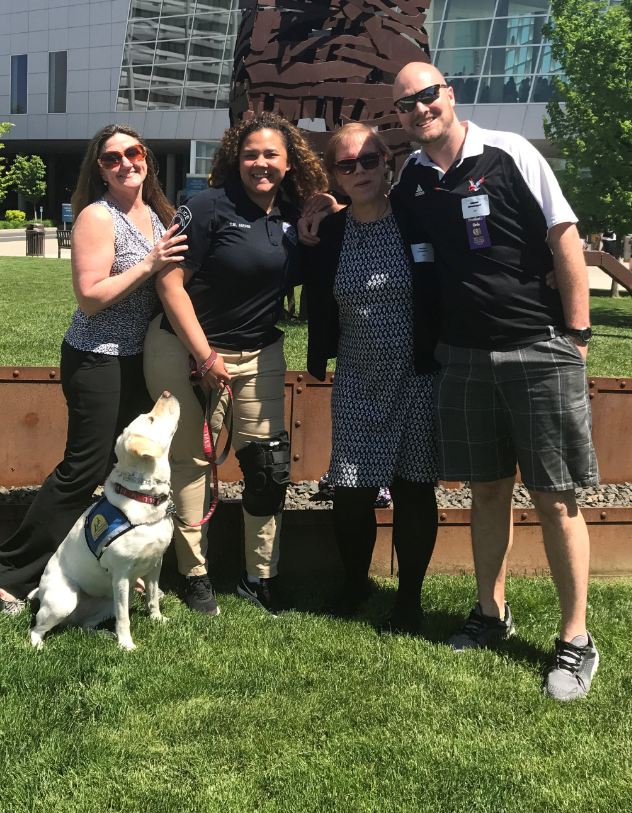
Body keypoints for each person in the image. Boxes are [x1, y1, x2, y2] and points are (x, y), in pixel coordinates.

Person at [389, 62, 599, 700]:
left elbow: (565, 236)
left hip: (539, 347)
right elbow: (379, 217)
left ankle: (575, 640)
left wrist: (579, 333)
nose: (420, 108)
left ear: (449, 96)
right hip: (465, 356)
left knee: (556, 497)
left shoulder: (511, 153)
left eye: (428, 95)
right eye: (407, 105)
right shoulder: (414, 179)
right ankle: (491, 613)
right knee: (485, 492)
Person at [144, 112, 328, 616]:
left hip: (259, 353)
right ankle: (195, 573)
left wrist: (320, 217)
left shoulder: (293, 215)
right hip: (184, 350)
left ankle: (258, 576)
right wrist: (204, 355)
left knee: (267, 466)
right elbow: (168, 284)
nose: (261, 164)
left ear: (290, 162)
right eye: (251, 155)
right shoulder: (206, 209)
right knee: (192, 462)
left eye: (272, 154)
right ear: (235, 159)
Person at [0, 124, 186, 615]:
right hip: (96, 355)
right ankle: (10, 574)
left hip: (136, 359)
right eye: (112, 158)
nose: (127, 162)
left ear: (147, 156)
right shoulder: (96, 217)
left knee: (117, 470)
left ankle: (107, 564)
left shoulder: (157, 214)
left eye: (134, 151)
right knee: (82, 467)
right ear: (98, 169)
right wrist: (148, 264)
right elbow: (90, 296)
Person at [303, 123, 438, 633]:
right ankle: (354, 583)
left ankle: (409, 599)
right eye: (346, 164)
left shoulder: (417, 220)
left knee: (414, 488)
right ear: (335, 175)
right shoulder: (329, 234)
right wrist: (312, 210)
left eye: (369, 160)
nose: (359, 171)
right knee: (351, 490)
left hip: (417, 375)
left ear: (388, 163)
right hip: (357, 378)